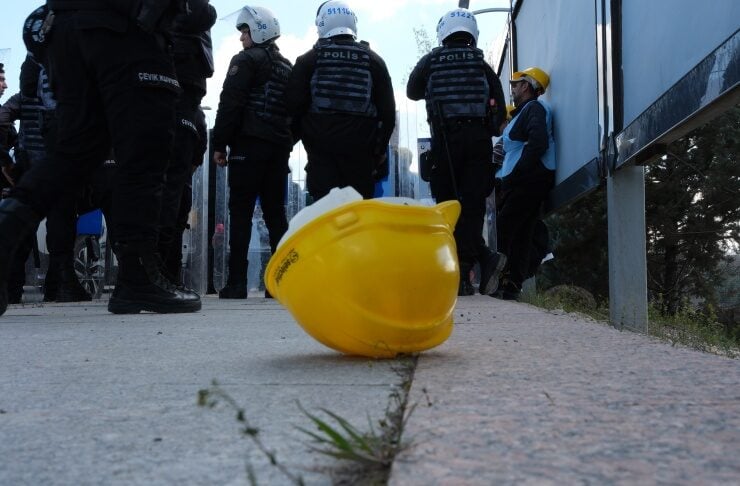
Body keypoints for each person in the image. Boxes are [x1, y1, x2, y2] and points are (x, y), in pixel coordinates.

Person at [0, 0, 201, 316]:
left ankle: (5, 234)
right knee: (145, 151)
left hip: (64, 26)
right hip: (127, 28)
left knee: (75, 150)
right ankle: (137, 277)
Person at [407, 8, 507, 297]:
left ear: (443, 33)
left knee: (449, 206)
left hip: (446, 139)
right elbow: (499, 115)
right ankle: (475, 263)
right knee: (473, 206)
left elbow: (412, 91)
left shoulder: (431, 60)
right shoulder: (482, 65)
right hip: (478, 141)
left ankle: (463, 273)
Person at [211, 6, 293, 299]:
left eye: (244, 31)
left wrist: (219, 143)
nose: (241, 37)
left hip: (248, 146)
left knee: (241, 212)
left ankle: (236, 283)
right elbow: (295, 112)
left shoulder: (245, 61)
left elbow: (230, 103)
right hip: (278, 150)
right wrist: (286, 142)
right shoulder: (288, 67)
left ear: (258, 30)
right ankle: (280, 282)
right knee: (275, 215)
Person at [285, 0, 396, 201]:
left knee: (325, 215)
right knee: (358, 215)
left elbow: (293, 107)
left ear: (321, 24)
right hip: (361, 158)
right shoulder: (374, 61)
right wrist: (378, 151)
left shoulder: (309, 60)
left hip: (321, 157)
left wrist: (292, 143)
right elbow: (387, 114)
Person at [158, 1, 216, 285]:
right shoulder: (187, 14)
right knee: (170, 192)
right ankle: (156, 272)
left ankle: (164, 273)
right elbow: (201, 15)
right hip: (175, 91)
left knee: (175, 196)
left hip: (180, 95)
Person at [494, 66, 556, 300]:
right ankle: (512, 284)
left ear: (527, 86)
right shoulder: (525, 111)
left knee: (504, 230)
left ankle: (497, 280)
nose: (513, 90)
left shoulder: (535, 108)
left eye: (515, 85)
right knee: (522, 234)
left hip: (527, 181)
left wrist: (517, 174)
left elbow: (537, 143)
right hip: (524, 181)